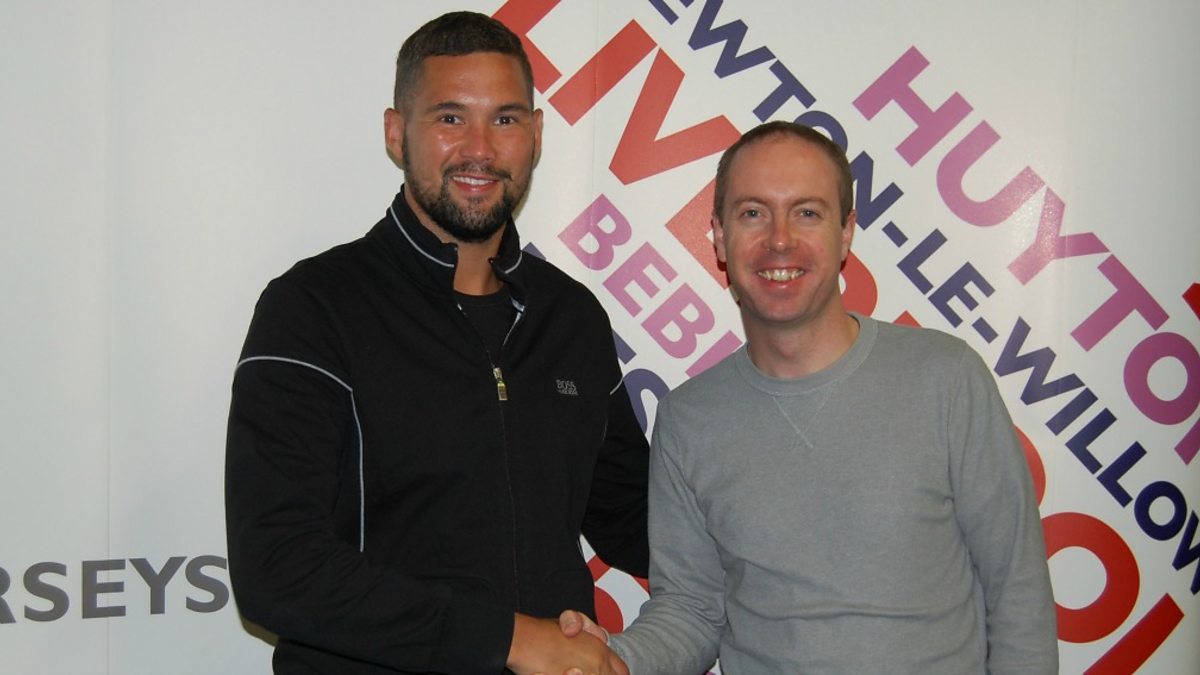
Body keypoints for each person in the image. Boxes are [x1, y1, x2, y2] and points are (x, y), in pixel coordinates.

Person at [225, 11, 647, 674]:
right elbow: (277, 568)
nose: (480, 148)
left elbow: (635, 518)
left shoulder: (571, 317)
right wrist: (510, 639)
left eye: (505, 119)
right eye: (451, 117)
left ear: (536, 135)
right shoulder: (313, 307)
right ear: (397, 132)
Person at [560, 121, 1058, 673]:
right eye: (753, 213)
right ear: (719, 237)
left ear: (846, 233)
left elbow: (1017, 591)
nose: (779, 239)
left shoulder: (947, 378)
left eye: (807, 213)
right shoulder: (688, 419)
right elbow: (693, 610)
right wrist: (615, 660)